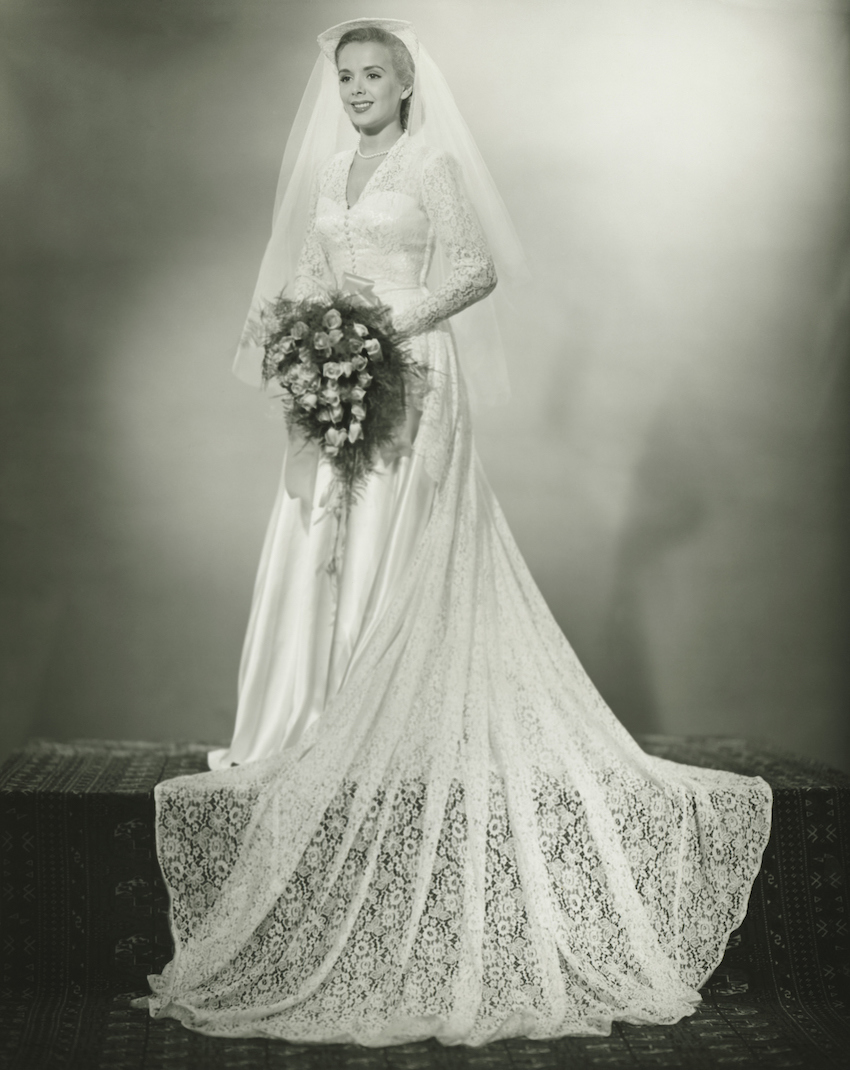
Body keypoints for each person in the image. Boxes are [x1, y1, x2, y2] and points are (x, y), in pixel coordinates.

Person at [138, 18, 772, 1046]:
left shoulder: (430, 160)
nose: (354, 89)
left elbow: (474, 267)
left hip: (416, 374)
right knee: (318, 530)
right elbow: (307, 263)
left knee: (395, 539)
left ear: (404, 82)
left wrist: (384, 329)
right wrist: (305, 339)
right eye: (343, 76)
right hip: (344, 365)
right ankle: (311, 716)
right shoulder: (335, 168)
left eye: (372, 75)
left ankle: (392, 710)